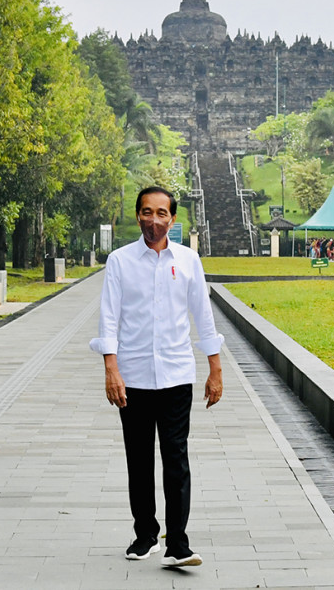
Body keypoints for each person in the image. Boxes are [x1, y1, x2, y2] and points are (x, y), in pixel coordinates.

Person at [90, 186, 224, 567]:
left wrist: (215, 368)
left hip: (177, 374)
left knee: (176, 458)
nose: (154, 219)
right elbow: (109, 318)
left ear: (172, 219)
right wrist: (110, 368)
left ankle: (177, 543)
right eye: (147, 212)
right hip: (131, 376)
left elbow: (203, 314)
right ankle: (145, 534)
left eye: (161, 213)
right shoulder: (119, 261)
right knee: (139, 459)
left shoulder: (188, 261)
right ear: (138, 217)